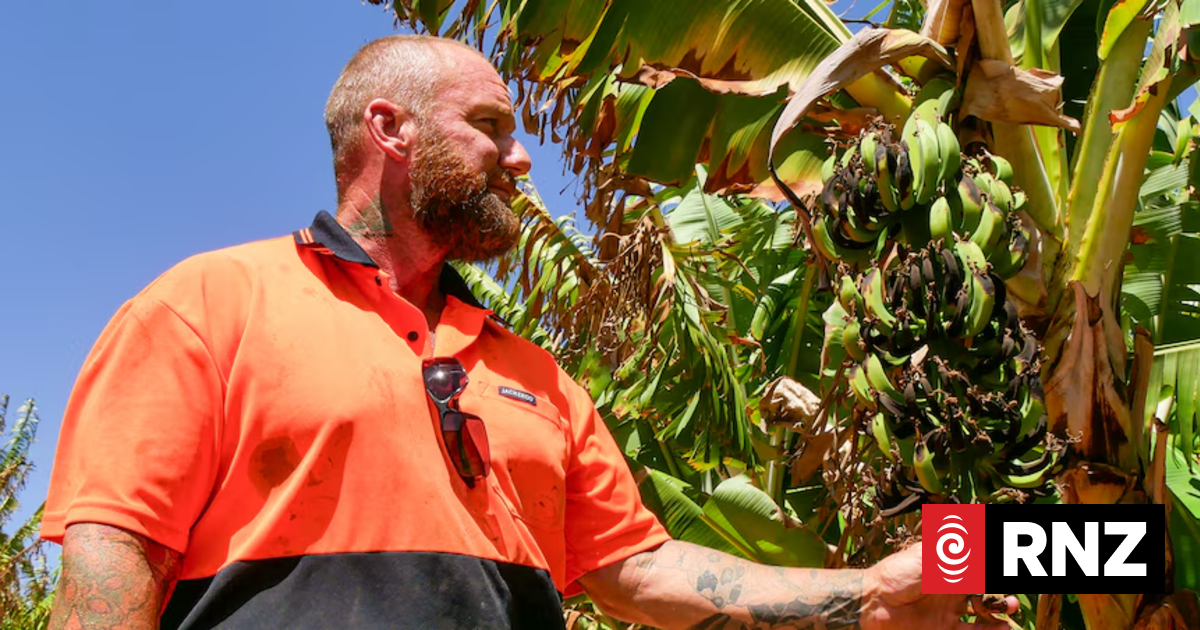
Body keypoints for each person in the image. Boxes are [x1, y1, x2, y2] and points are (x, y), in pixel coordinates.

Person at [41, 35, 1015, 630]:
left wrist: (871, 597)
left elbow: (644, 570)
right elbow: (111, 559)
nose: (522, 156)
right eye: (492, 126)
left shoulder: (535, 378)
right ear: (392, 129)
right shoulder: (208, 307)